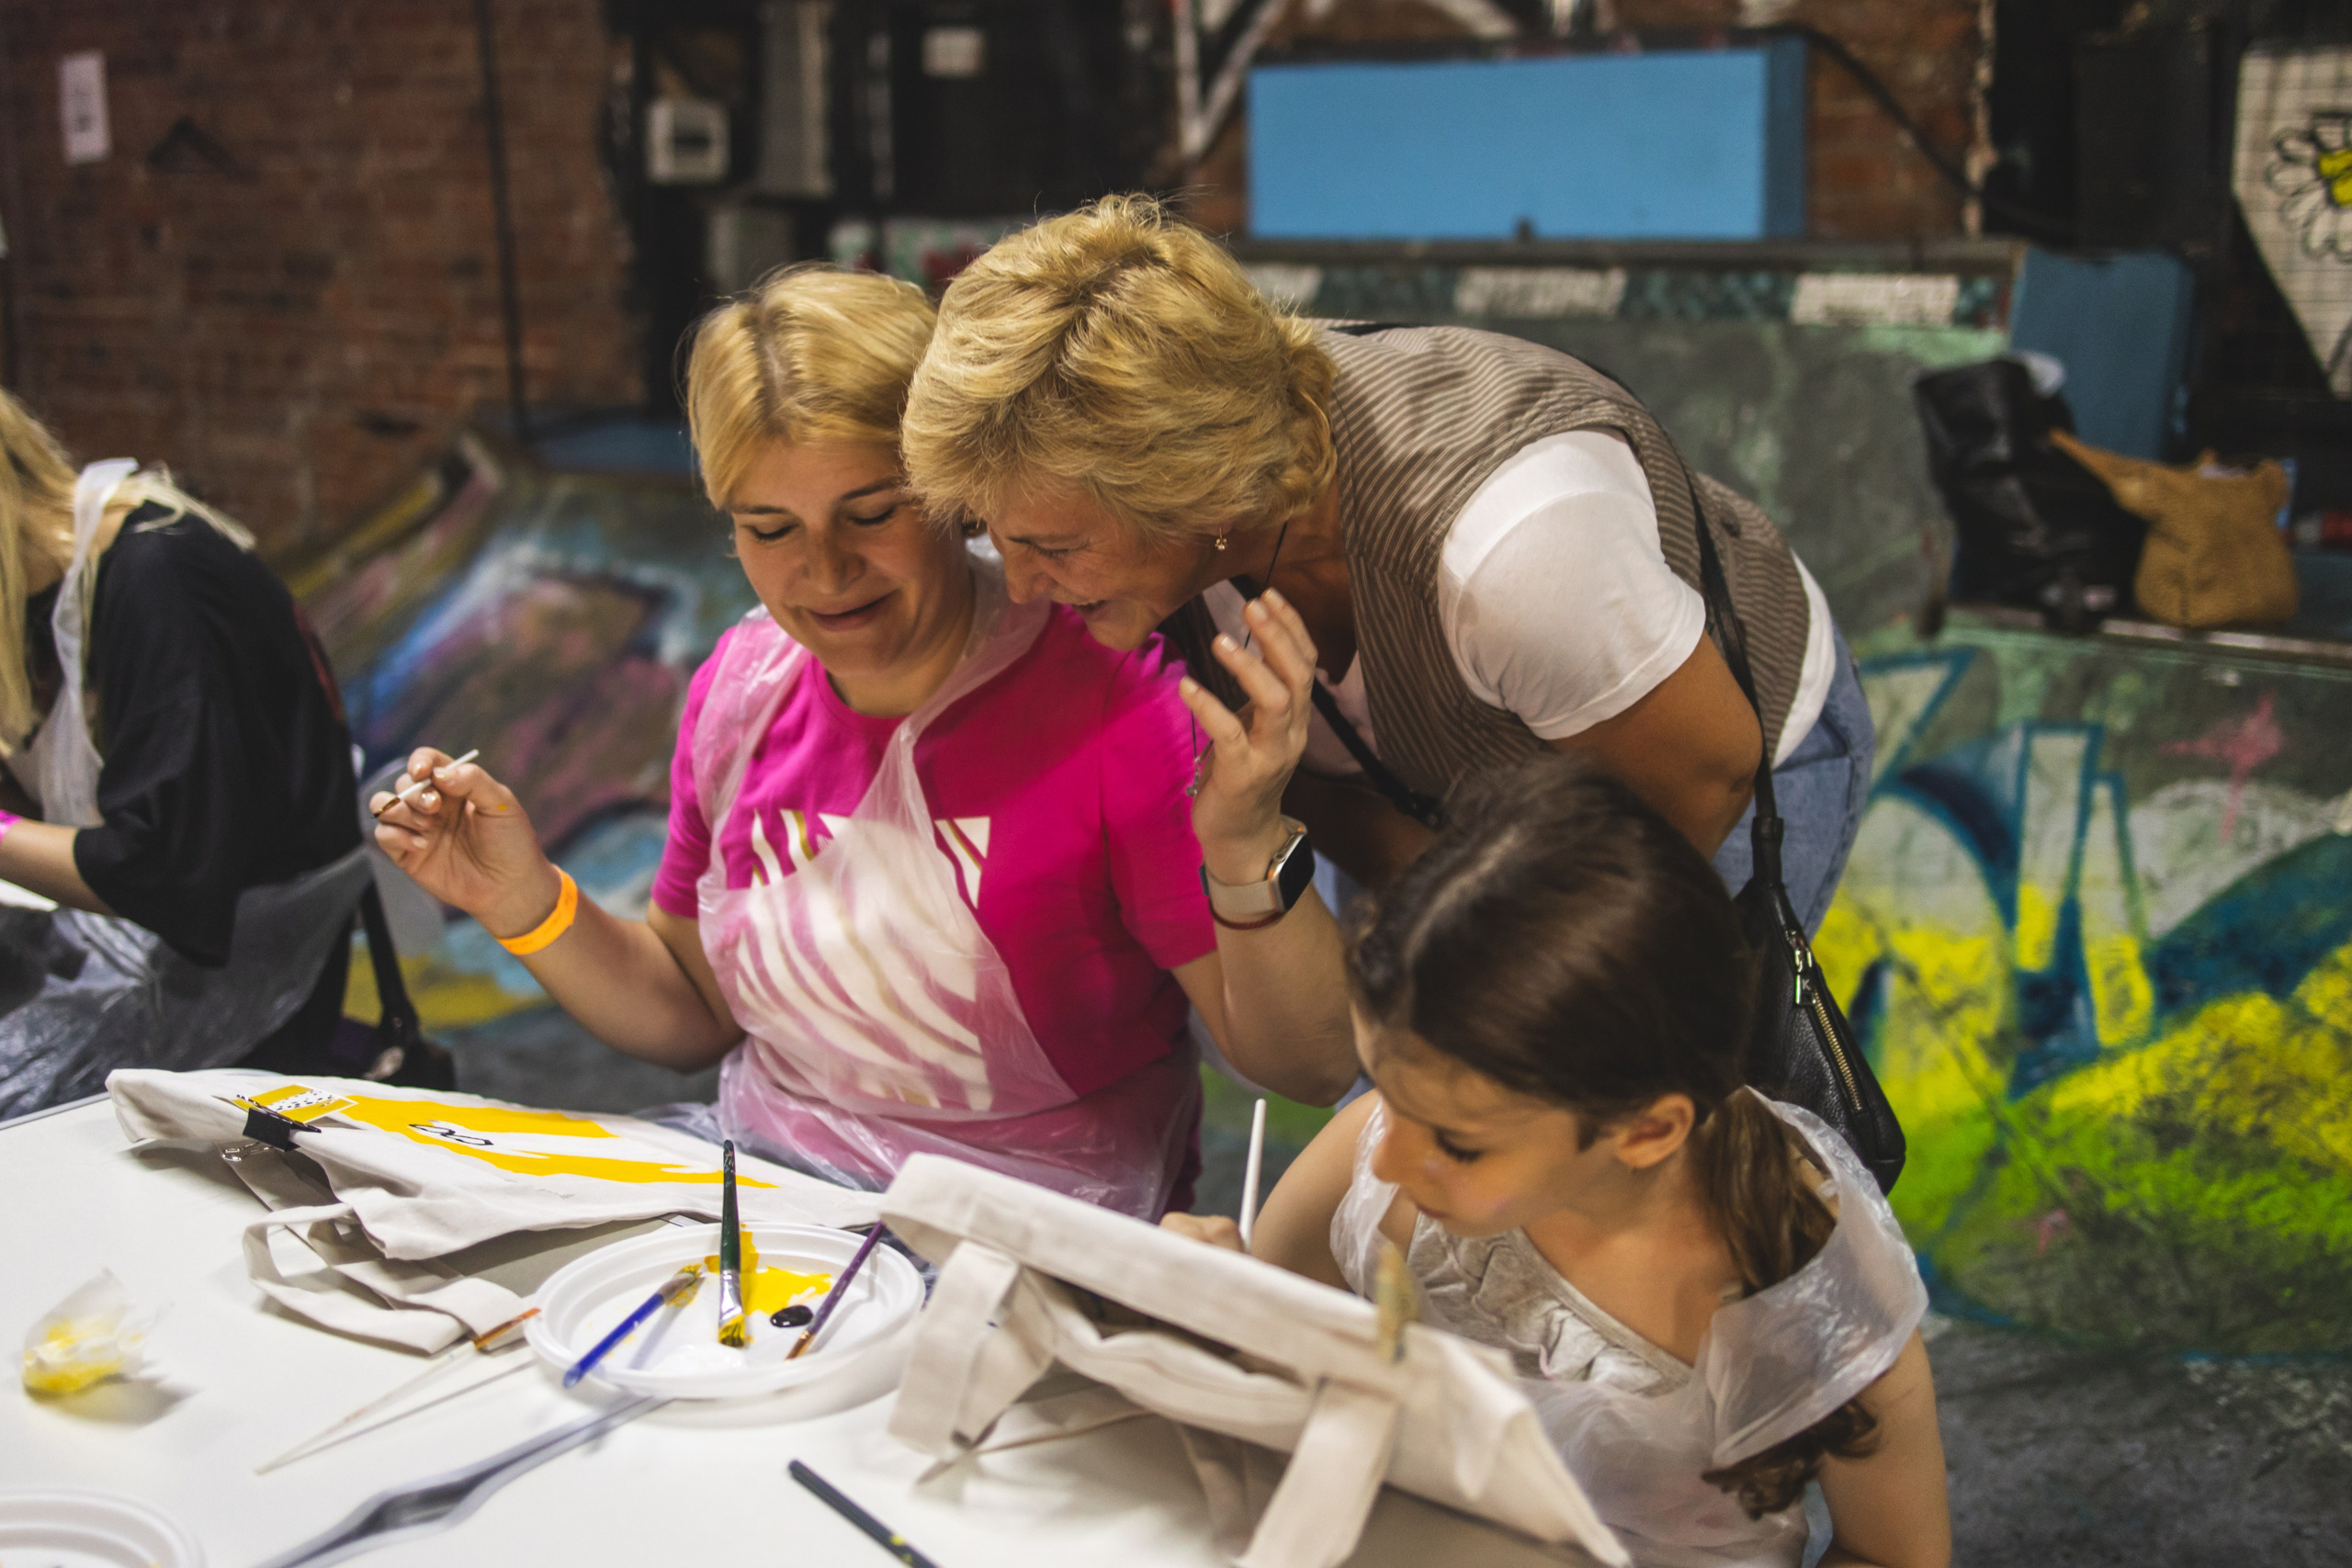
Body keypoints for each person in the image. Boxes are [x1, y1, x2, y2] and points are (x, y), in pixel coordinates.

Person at [372, 266, 1355, 1218]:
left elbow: (1306, 1064)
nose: (825, 570)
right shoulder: (740, 696)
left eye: (872, 513)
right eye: (769, 528)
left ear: (955, 491)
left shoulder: (1110, 702)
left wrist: (1245, 846)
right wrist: (524, 902)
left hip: (1033, 1232)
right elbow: (686, 1016)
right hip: (773, 1206)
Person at [900, 195, 1871, 931]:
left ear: (1197, 493)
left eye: (1053, 549)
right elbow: (1322, 795)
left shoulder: (1512, 549)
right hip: (1442, 792)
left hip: (1704, 763)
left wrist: (1516, 996)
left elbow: (1701, 777)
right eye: (994, 534)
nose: (1021, 585)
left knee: (1640, 1122)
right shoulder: (1129, 521)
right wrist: (1437, 918)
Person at [1164, 750, 1950, 1568]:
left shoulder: (1803, 1275)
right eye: (1390, 1092)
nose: (1386, 1159)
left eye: (1459, 1143)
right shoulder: (1379, 1159)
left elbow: (1895, 1554)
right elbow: (1275, 1377)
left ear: (1646, 1131)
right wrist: (1210, 1315)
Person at [0, 390, 372, 1117]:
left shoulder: (157, 580)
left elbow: (161, 871)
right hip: (149, 952)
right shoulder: (50, 590)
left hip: (245, 998)